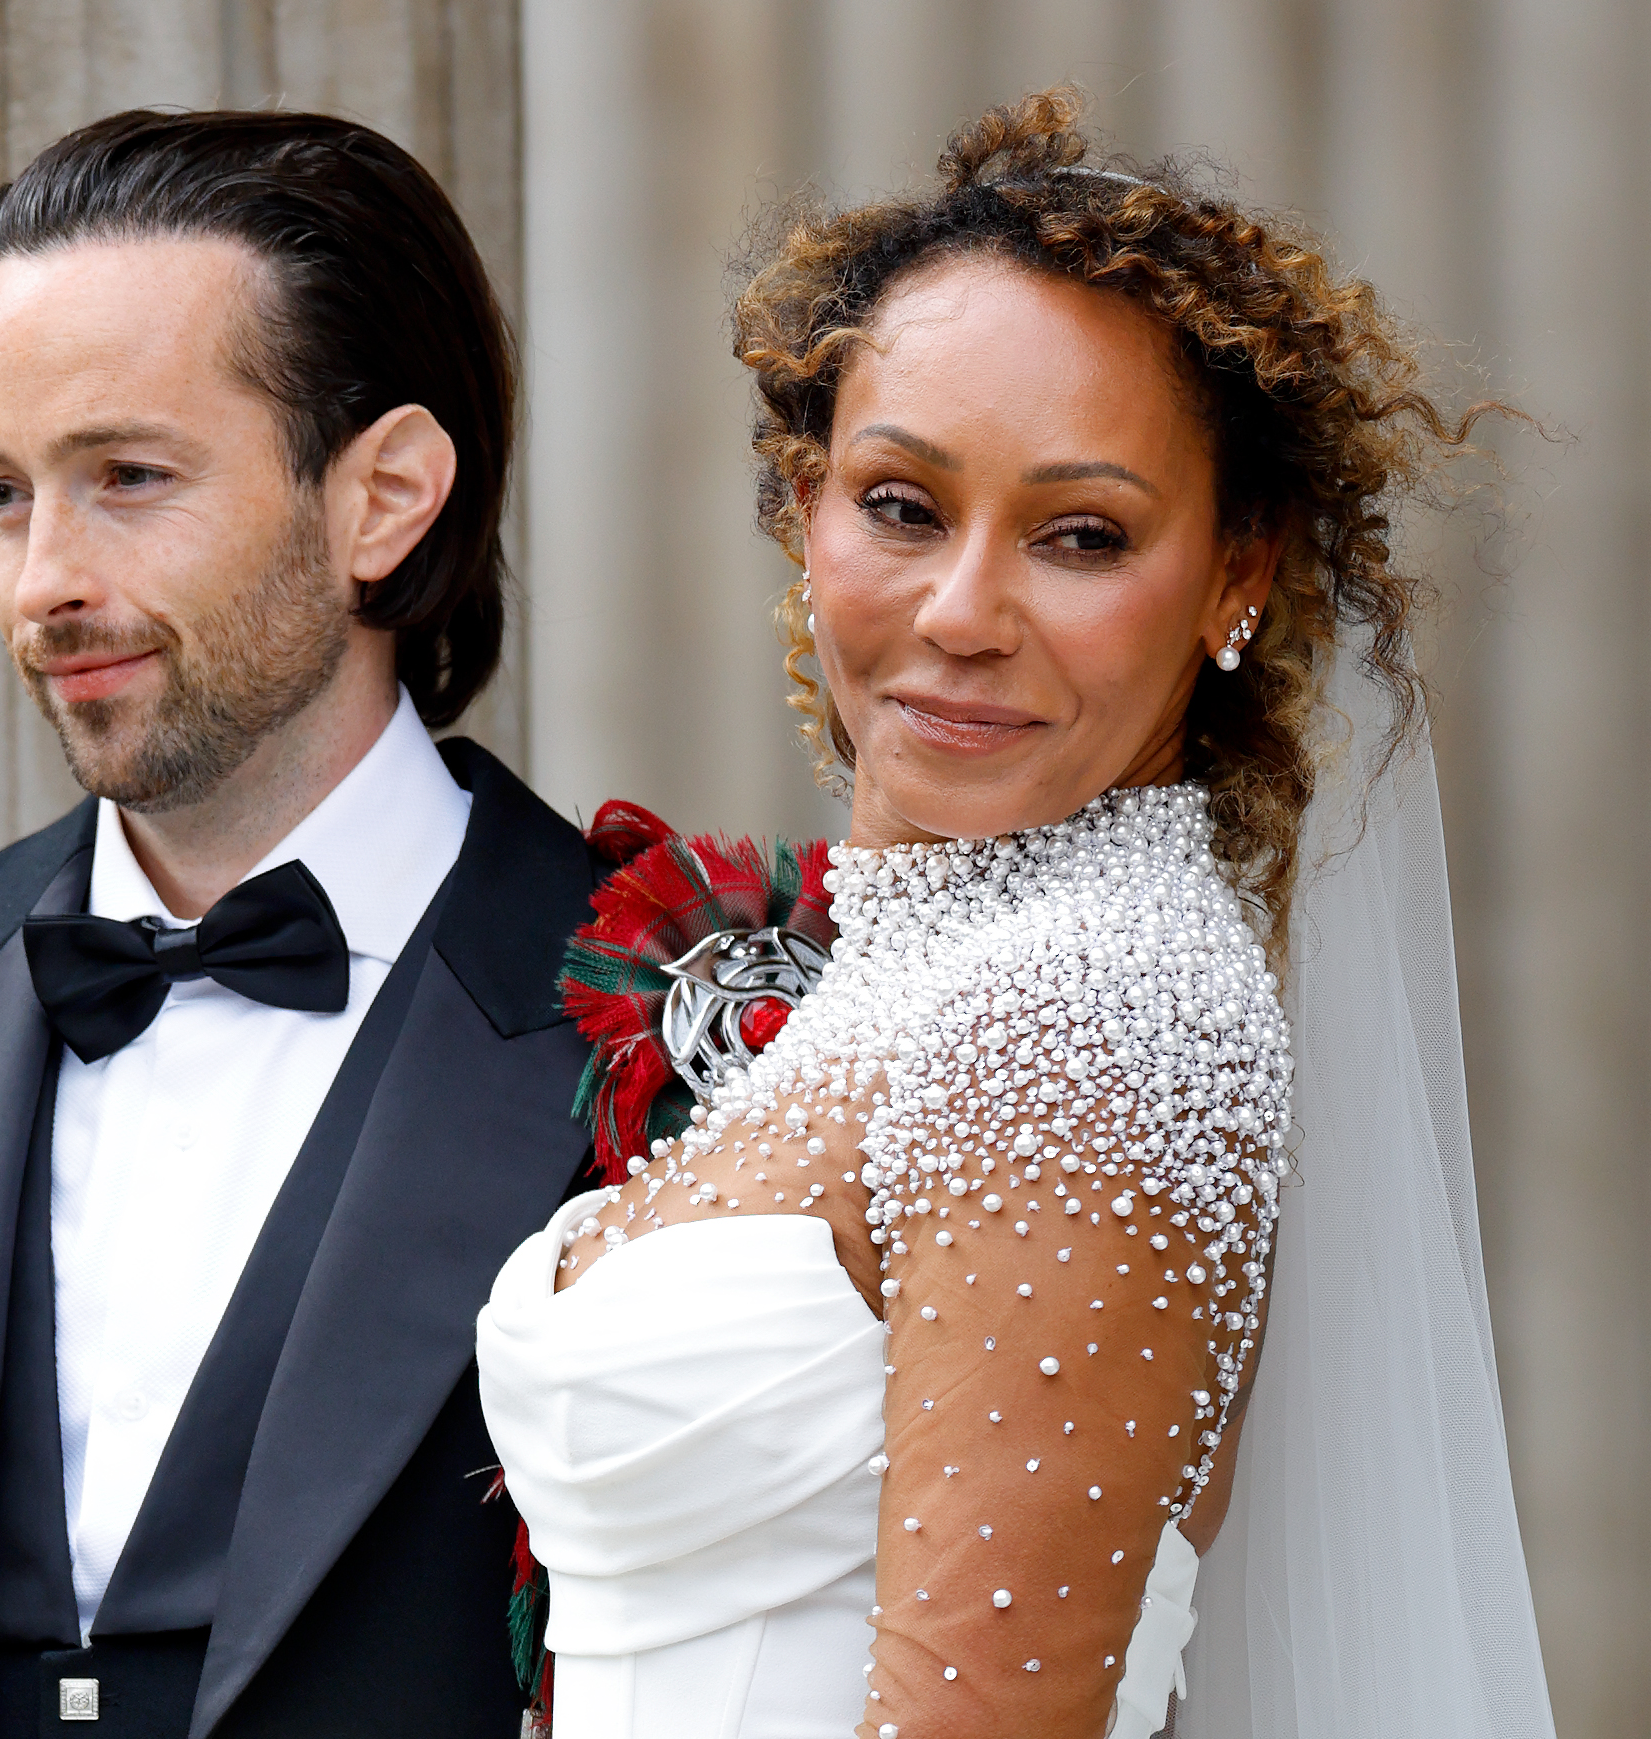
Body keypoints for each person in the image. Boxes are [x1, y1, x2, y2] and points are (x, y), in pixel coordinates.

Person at [478, 89, 1557, 1739]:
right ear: (802, 503)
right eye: (901, 507)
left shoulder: (1079, 1015)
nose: (962, 613)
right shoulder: (935, 973)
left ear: (1233, 574)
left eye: (1079, 535)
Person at [0, 110, 598, 1739]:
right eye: (4, 495)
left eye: (127, 479)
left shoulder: (667, 1013)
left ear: (385, 498)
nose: (40, 583)